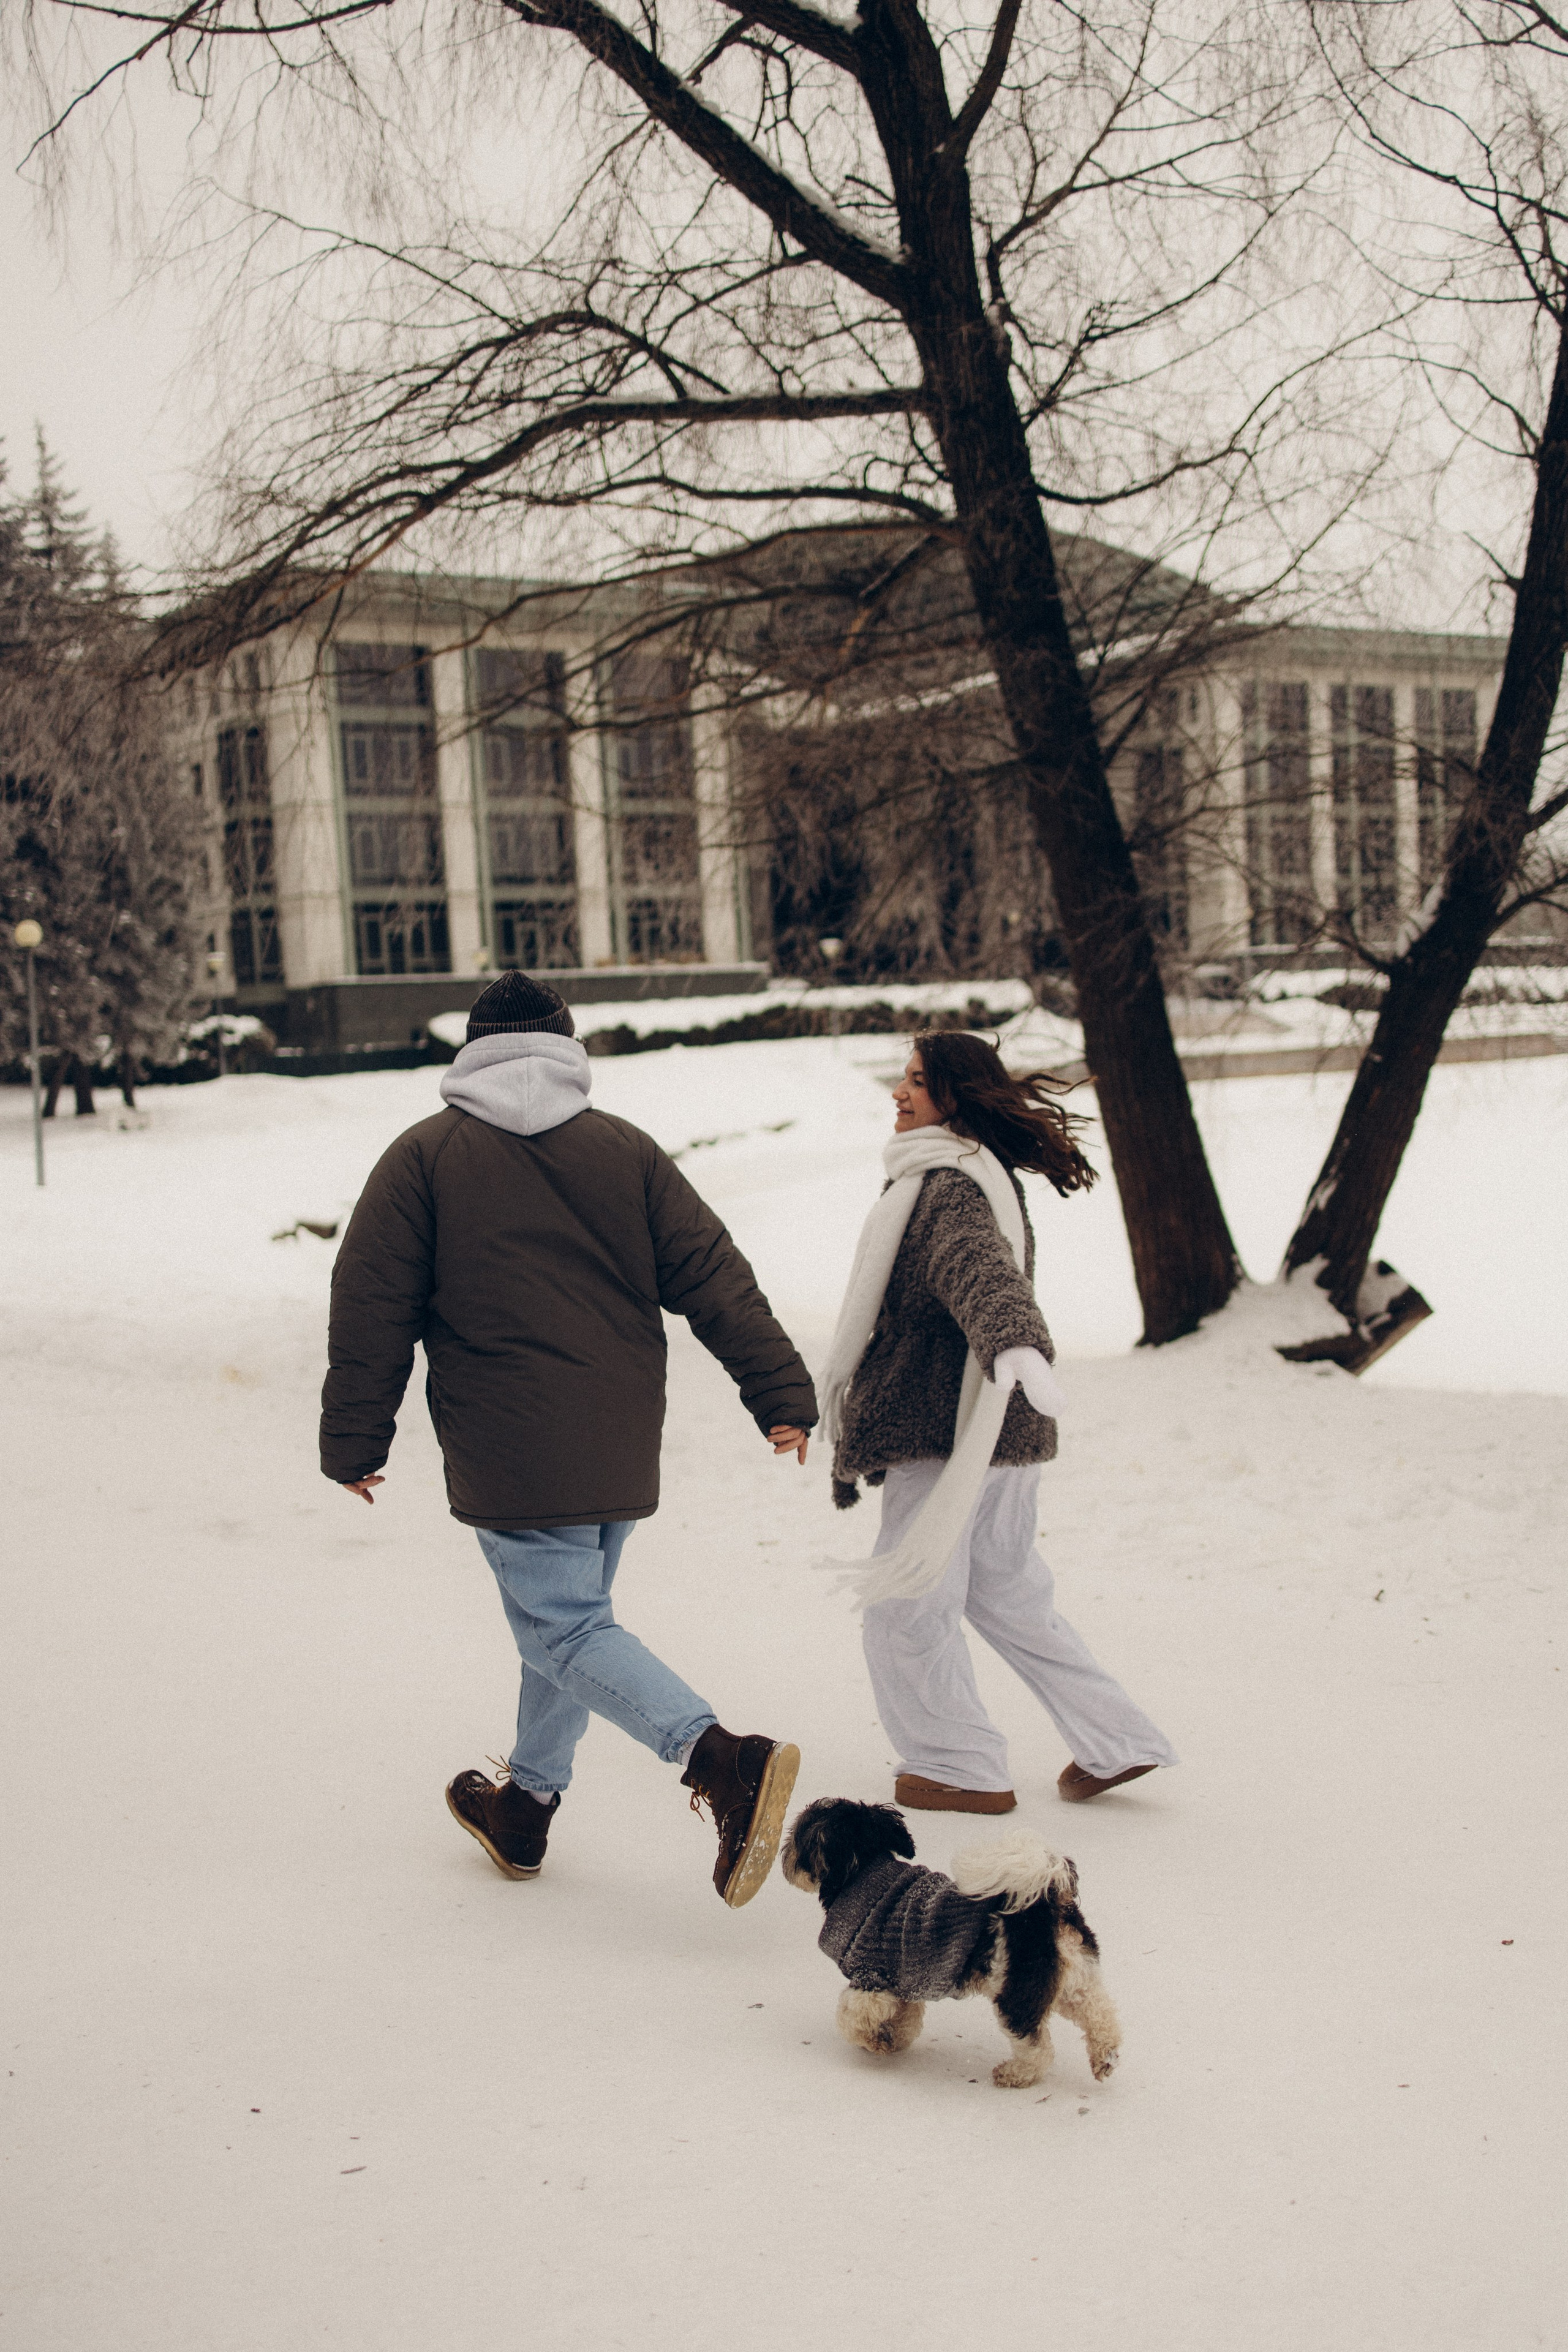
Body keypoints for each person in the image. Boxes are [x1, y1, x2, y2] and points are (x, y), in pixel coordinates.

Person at [319, 970, 816, 1906]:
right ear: (566, 1047)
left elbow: (371, 1305)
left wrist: (355, 1437)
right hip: (618, 1433)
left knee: (566, 1625)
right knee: (564, 1622)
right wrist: (776, 1387)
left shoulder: (424, 1157)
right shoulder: (624, 1151)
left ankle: (720, 1760)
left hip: (509, 1441)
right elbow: (716, 1275)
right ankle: (527, 1808)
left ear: (473, 1050)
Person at [821, 1027, 1177, 1814]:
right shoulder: (972, 1175)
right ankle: (1116, 1740)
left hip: (949, 1433)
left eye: (916, 1080)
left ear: (953, 1095)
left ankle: (956, 1764)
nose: (898, 1091)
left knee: (907, 1604)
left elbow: (975, 1268)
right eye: (902, 1077)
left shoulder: (946, 1187)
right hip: (1001, 1429)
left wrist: (1015, 1340)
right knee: (1009, 1595)